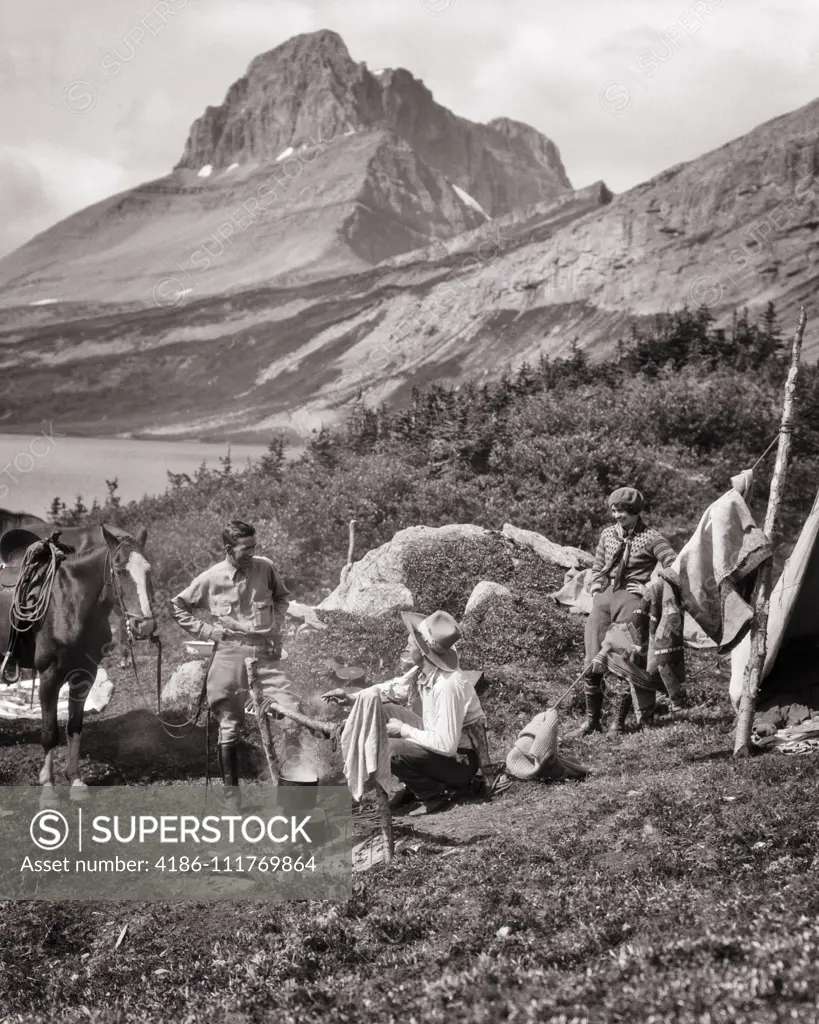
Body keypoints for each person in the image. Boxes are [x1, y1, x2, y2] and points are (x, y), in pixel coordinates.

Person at [171, 519, 297, 805]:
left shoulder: (265, 568)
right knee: (229, 725)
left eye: (255, 546)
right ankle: (232, 798)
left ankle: (294, 789)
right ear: (229, 548)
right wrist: (206, 631)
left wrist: (275, 628)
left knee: (290, 713)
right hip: (227, 655)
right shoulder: (211, 578)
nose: (253, 552)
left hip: (264, 654)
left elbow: (282, 599)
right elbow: (177, 606)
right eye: (246, 548)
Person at [323, 610, 487, 816]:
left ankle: (435, 793)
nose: (406, 646)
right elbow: (393, 688)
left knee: (387, 748)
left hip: (459, 761)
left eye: (411, 643)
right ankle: (414, 785)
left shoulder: (447, 686)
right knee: (382, 710)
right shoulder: (425, 670)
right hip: (437, 742)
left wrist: (403, 730)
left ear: (424, 650)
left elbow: (446, 745)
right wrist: (350, 697)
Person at [576, 487, 677, 736]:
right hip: (606, 598)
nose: (617, 516)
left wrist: (650, 588)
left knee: (622, 658)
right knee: (592, 655)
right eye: (614, 510)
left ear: (635, 512)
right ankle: (592, 722)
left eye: (623, 512)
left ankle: (617, 724)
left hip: (632, 601)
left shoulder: (653, 538)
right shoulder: (608, 535)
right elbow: (598, 564)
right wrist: (597, 586)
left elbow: (674, 565)